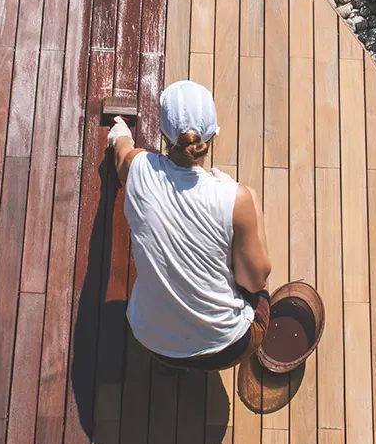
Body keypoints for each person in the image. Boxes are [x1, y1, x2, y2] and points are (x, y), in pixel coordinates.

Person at [106, 80, 273, 371]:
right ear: (212, 136)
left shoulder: (138, 169)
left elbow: (121, 151)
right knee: (257, 278)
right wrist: (250, 201)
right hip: (228, 346)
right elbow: (255, 281)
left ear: (163, 135)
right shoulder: (234, 198)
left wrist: (119, 128)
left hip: (152, 340)